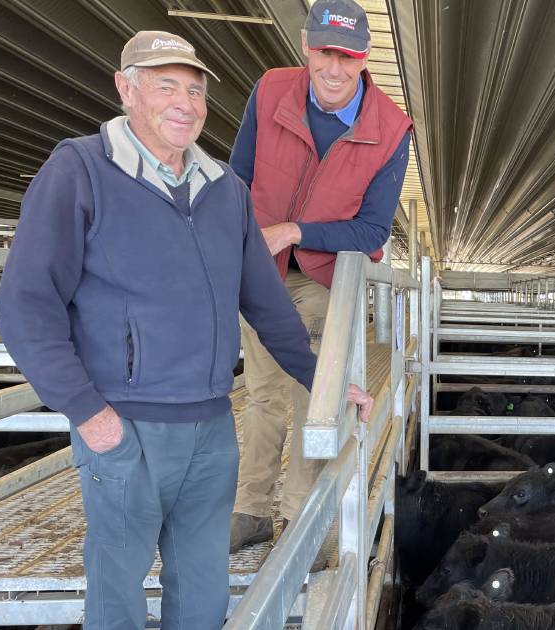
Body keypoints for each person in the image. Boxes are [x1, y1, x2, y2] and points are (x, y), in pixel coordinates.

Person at [0, 30, 370, 629]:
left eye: (196, 91)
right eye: (166, 86)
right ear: (126, 89)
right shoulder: (81, 171)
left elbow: (267, 305)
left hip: (212, 429)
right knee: (116, 591)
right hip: (125, 424)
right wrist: (88, 413)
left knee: (202, 593)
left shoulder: (226, 190)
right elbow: (25, 304)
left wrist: (325, 379)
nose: (186, 104)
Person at [226, 0, 411, 553]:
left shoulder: (391, 128)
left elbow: (373, 230)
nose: (334, 69)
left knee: (314, 391)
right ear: (307, 47)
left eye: (347, 57)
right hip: (259, 271)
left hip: (319, 275)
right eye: (325, 53)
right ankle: (250, 509)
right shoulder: (271, 90)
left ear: (364, 57)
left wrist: (296, 231)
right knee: (261, 394)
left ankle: (300, 518)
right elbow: (239, 176)